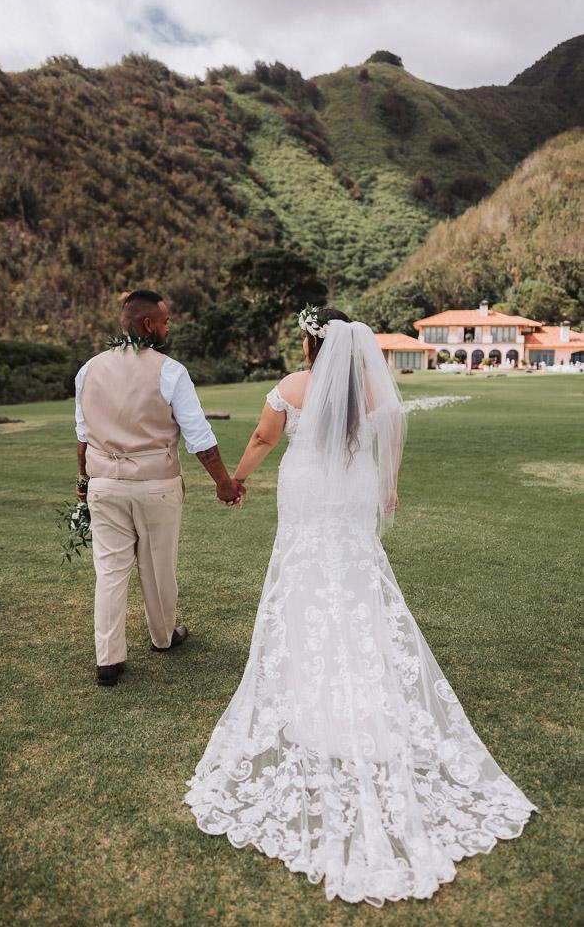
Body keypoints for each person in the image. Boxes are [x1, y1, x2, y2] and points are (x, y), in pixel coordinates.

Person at [185, 306, 535, 906]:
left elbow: (265, 436)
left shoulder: (296, 386)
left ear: (309, 343)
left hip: (307, 491)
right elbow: (391, 437)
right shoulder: (369, 388)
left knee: (304, 581)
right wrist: (388, 486)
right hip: (349, 492)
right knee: (353, 583)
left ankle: (308, 691)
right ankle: (360, 693)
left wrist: (236, 478)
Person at [74, 289, 244, 687]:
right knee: (158, 566)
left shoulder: (88, 370)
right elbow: (198, 435)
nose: (168, 328)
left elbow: (82, 433)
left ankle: (108, 660)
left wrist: (83, 479)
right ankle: (163, 638)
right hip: (155, 486)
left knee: (110, 571)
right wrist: (224, 482)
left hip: (104, 485)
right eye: (165, 322)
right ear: (148, 324)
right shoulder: (170, 371)